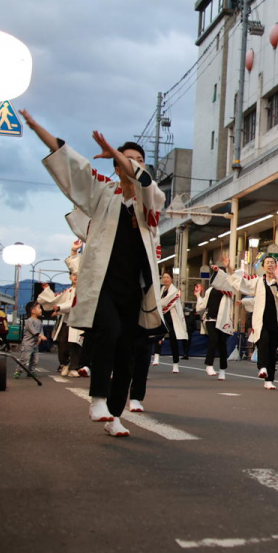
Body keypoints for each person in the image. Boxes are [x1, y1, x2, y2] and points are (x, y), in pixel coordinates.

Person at [23, 109, 165, 438]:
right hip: (101, 286)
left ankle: (115, 415)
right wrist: (36, 127)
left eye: (137, 160)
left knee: (128, 355)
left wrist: (116, 153)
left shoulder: (149, 199)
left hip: (136, 290)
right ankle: (97, 398)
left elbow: (146, 184)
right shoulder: (103, 192)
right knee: (109, 332)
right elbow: (70, 162)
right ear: (115, 168)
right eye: (125, 160)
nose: (132, 164)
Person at [211, 255, 278, 390]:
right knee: (263, 341)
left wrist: (277, 282)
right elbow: (241, 282)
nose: (269, 265)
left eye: (272, 263)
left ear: (276, 266)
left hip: (276, 321)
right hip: (261, 321)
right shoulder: (258, 281)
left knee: (272, 350)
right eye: (267, 263)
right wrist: (229, 267)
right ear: (263, 266)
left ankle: (269, 380)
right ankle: (261, 367)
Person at [196, 273, 235, 378]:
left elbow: (234, 280)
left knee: (222, 345)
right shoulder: (209, 291)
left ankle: (222, 370)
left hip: (223, 321)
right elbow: (202, 306)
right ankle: (209, 364)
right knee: (213, 340)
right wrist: (198, 296)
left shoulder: (228, 291)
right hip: (210, 319)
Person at [155, 271, 188, 374]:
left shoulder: (174, 291)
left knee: (173, 341)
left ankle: (175, 364)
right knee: (158, 336)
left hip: (172, 318)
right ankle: (156, 356)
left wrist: (158, 304)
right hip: (162, 316)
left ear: (171, 279)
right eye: (163, 277)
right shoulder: (162, 289)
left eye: (167, 277)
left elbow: (164, 302)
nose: (165, 279)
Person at [16, 301, 48, 379]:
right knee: (25, 359)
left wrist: (40, 337)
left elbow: (41, 331)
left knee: (35, 360)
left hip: (35, 344)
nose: (41, 310)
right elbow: (33, 330)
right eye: (39, 308)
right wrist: (40, 335)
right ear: (33, 311)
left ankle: (31, 371)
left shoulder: (39, 321)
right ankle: (18, 371)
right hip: (27, 344)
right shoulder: (29, 321)